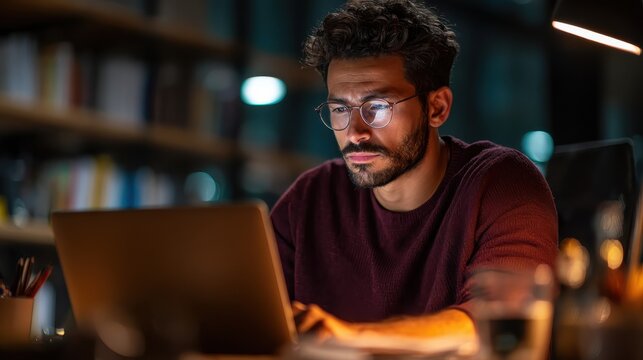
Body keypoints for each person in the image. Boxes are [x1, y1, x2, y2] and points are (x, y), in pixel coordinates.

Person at [270, 0, 558, 342]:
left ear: (437, 108)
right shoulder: (310, 199)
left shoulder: (503, 184)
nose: (355, 132)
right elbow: (252, 316)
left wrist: (351, 335)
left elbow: (496, 326)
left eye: (376, 107)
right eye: (339, 108)